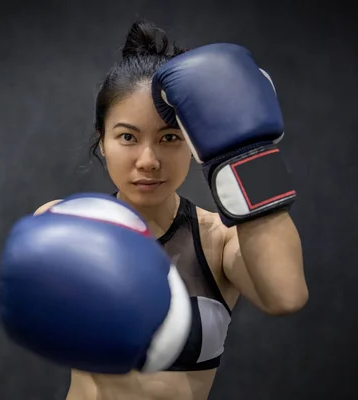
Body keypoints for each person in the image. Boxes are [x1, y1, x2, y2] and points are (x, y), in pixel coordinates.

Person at [26, 19, 309, 400]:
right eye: (127, 137)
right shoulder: (64, 223)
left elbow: (286, 297)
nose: (148, 160)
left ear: (195, 144)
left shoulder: (218, 241)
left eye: (170, 137)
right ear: (103, 142)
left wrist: (250, 155)